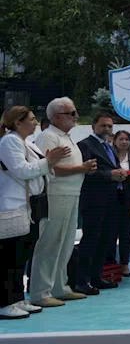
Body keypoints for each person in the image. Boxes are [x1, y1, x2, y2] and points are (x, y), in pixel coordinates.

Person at [0, 106, 68, 319]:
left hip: (31, 205)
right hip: (15, 205)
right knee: (10, 256)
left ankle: (17, 298)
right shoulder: (9, 141)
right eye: (31, 119)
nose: (35, 122)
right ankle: (5, 302)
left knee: (22, 255)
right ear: (18, 123)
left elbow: (40, 168)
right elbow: (21, 170)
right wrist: (49, 161)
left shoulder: (27, 142)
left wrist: (49, 162)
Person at [29, 98, 96, 308]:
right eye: (72, 113)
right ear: (57, 117)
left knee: (66, 244)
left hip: (72, 193)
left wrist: (84, 169)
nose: (76, 116)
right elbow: (48, 167)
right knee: (50, 243)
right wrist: (81, 169)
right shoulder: (48, 137)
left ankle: (60, 287)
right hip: (56, 194)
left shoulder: (66, 137)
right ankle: (40, 292)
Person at [75, 112, 127, 296]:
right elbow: (86, 173)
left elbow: (111, 170)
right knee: (90, 239)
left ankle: (96, 276)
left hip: (111, 200)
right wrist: (110, 175)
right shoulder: (85, 145)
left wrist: (119, 174)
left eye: (110, 126)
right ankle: (81, 280)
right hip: (94, 201)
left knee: (105, 240)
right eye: (103, 125)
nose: (107, 129)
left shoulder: (109, 147)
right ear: (93, 126)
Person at [106, 130, 130, 278]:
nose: (124, 142)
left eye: (127, 139)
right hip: (111, 199)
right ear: (115, 141)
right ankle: (110, 264)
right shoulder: (108, 157)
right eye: (121, 139)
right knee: (110, 233)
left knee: (125, 234)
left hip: (127, 201)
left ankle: (125, 263)